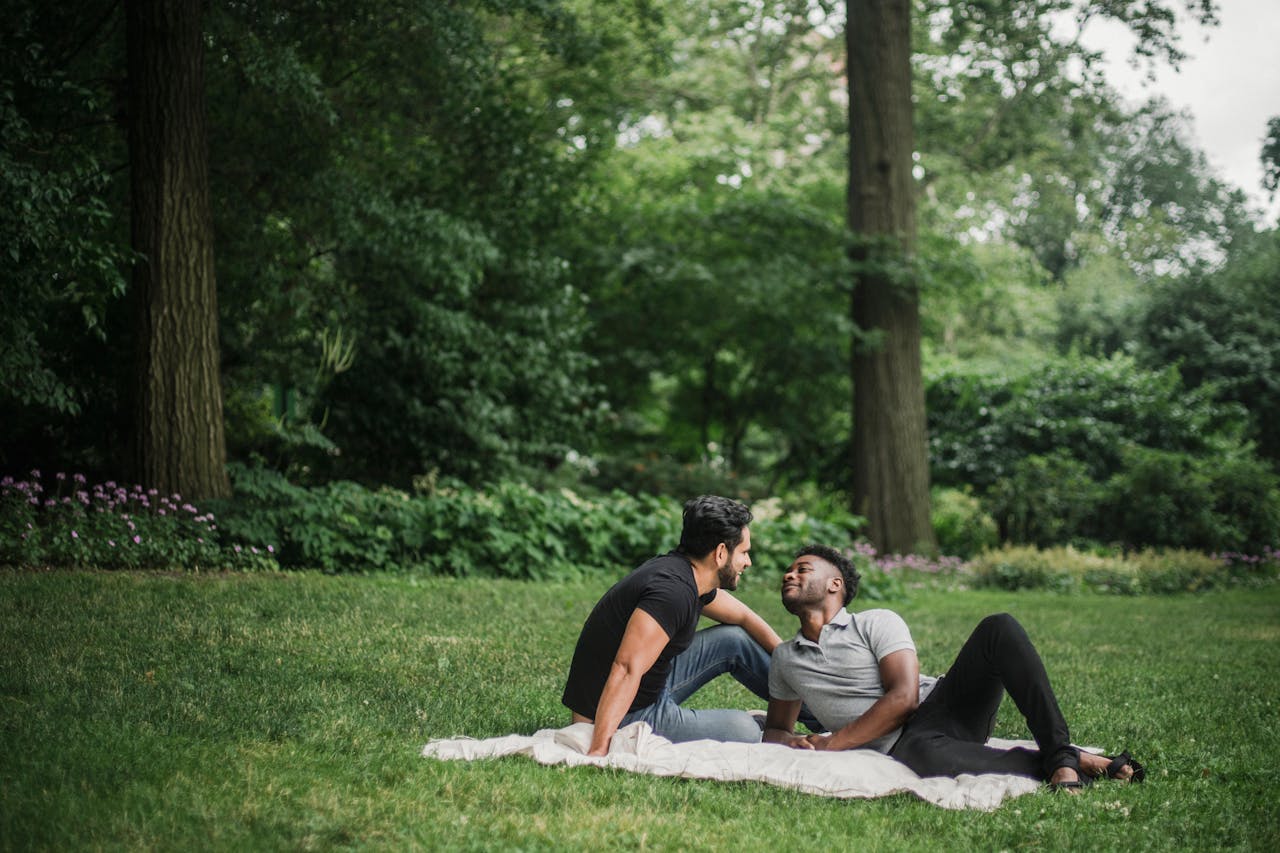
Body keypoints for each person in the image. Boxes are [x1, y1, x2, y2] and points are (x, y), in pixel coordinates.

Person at [763, 544, 1145, 791]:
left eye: (802, 569)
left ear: (835, 584)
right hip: (909, 746)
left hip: (944, 709)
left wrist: (833, 743)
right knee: (920, 757)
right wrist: (791, 740)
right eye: (788, 571)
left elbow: (904, 699)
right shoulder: (786, 658)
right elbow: (777, 729)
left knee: (999, 626)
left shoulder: (876, 621)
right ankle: (1079, 762)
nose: (788, 574)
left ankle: (1062, 756)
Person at [562, 495, 789, 756]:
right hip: (623, 713)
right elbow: (625, 669)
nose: (748, 562)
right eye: (745, 552)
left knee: (734, 639)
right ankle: (762, 728)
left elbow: (744, 617)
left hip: (649, 684)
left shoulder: (688, 574)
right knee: (746, 730)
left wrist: (791, 663)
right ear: (721, 553)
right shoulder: (671, 593)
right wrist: (598, 748)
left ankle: (820, 715)